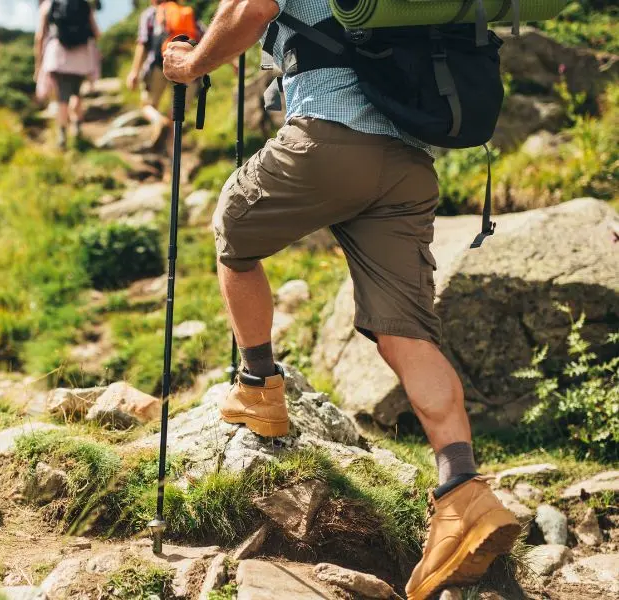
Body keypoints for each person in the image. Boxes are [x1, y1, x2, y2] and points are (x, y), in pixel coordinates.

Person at [161, 1, 521, 599]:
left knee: (233, 231)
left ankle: (258, 389)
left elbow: (249, 7)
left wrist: (193, 63)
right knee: (407, 332)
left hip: (328, 139)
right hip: (407, 167)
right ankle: (463, 490)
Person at [125, 0, 204, 150]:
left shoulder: (151, 14)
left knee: (147, 105)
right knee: (176, 116)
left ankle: (158, 121)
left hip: (157, 63)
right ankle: (170, 156)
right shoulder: (187, 12)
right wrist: (233, 62)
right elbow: (206, 38)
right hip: (185, 64)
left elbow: (143, 42)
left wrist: (134, 71)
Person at [35, 0, 101, 148]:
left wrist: (38, 64)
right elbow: (96, 33)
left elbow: (40, 36)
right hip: (81, 57)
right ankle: (77, 127)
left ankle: (62, 136)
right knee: (76, 93)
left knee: (62, 98)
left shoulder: (48, 5)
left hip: (58, 56)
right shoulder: (84, 4)